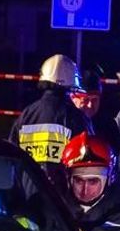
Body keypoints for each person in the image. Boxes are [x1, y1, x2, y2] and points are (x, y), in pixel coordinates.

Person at [8, 54, 90, 193]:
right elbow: (88, 156)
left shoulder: (27, 115)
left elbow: (11, 155)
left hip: (28, 194)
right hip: (60, 198)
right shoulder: (75, 117)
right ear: (71, 83)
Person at [72, 69, 120, 152]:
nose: (90, 105)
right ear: (74, 98)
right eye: (85, 100)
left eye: (94, 100)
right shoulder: (66, 122)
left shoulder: (108, 125)